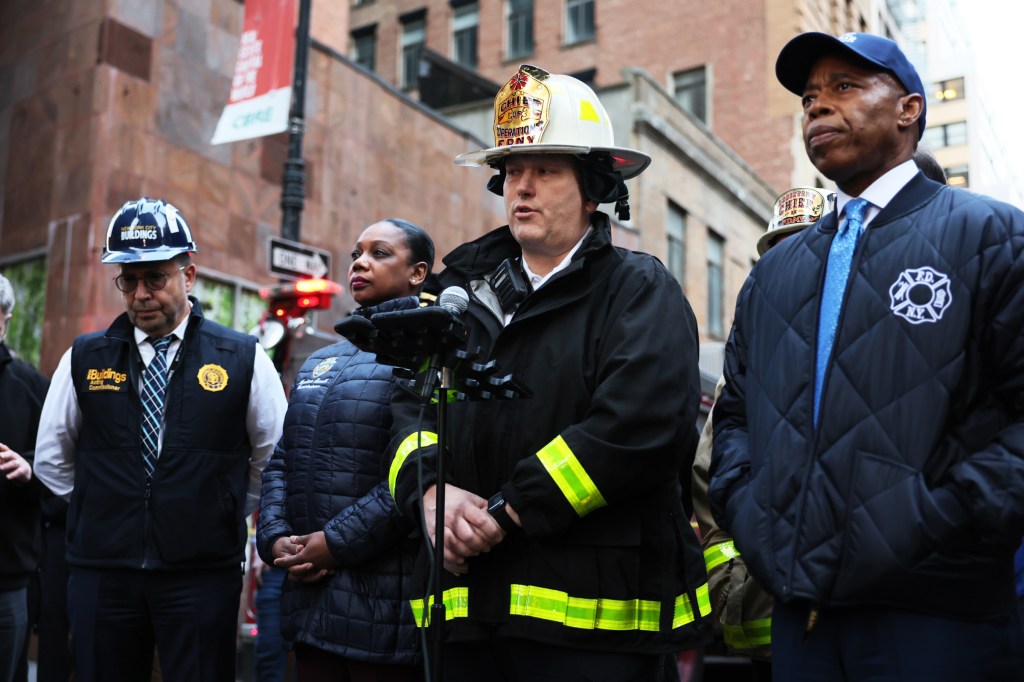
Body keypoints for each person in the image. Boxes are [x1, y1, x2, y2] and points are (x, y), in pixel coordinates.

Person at [710, 32, 1024, 679]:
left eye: (844, 87)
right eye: (808, 98)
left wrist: (935, 518)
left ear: (908, 108)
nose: (817, 108)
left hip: (940, 616)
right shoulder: (775, 273)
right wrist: (756, 521)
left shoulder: (993, 235)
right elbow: (735, 419)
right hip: (802, 620)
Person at [384, 65, 710, 681]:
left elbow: (637, 430)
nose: (521, 187)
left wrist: (505, 512)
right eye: (511, 171)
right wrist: (430, 494)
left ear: (592, 189)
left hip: (593, 634)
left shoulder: (640, 291)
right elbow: (408, 409)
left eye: (545, 170)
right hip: (466, 623)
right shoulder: (458, 297)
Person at [33, 197, 288, 682]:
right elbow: (51, 458)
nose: (140, 294)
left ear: (188, 276)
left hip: (201, 573)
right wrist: (107, 505)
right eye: (128, 280)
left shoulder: (242, 357)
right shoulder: (85, 357)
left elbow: (272, 455)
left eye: (155, 278)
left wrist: (219, 504)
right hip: (102, 571)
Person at [257, 219, 434, 681]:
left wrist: (332, 545)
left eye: (380, 253)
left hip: (381, 611)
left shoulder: (429, 354)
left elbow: (415, 476)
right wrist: (276, 539)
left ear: (417, 273)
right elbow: (282, 460)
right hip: (307, 598)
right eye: (357, 252)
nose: (360, 262)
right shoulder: (321, 359)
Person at [692, 187, 833, 681]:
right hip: (763, 631)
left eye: (809, 245)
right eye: (782, 250)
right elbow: (712, 495)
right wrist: (737, 587)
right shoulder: (745, 372)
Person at [0, 274, 50, 682]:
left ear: (6, 319)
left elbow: (63, 465)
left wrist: (30, 468)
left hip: (7, 579)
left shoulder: (32, 386)